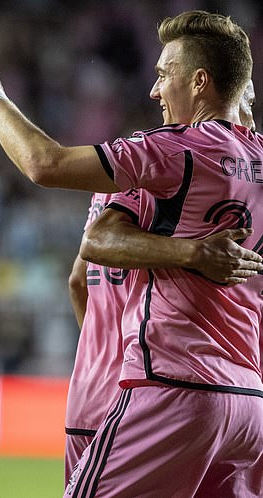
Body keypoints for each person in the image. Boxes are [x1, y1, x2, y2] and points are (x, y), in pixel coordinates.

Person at [0, 10, 263, 497]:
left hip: (177, 384)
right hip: (248, 401)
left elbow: (45, 163)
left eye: (164, 75)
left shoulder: (174, 151)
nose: (155, 91)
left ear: (200, 81)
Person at [64, 82, 259, 483]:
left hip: (96, 387)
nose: (249, 118)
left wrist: (104, 351)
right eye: (247, 104)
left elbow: (77, 281)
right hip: (164, 385)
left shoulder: (112, 197)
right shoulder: (208, 189)